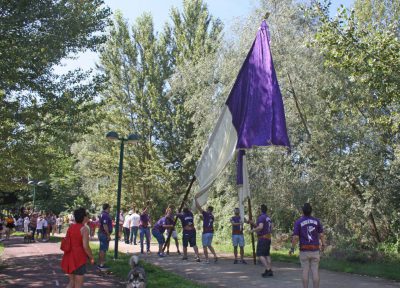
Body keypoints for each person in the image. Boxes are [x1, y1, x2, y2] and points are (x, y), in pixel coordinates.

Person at [289, 203, 325, 288]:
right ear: (311, 211)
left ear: (303, 211)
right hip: (315, 250)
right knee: (315, 271)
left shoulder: (299, 222)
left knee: (305, 271)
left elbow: (295, 237)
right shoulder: (317, 221)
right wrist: (323, 244)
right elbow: (321, 235)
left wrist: (292, 248)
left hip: (304, 250)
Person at [61, 208, 95, 288]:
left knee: (71, 282)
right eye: (87, 215)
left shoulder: (71, 227)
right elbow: (85, 246)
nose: (88, 217)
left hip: (69, 257)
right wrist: (91, 257)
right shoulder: (85, 229)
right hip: (79, 258)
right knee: (78, 285)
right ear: (84, 217)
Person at [249, 204, 273, 277]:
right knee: (267, 254)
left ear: (260, 210)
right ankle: (270, 269)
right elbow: (271, 227)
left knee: (260, 255)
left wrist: (252, 230)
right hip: (268, 237)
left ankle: (268, 270)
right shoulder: (268, 218)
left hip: (263, 238)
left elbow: (260, 227)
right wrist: (253, 224)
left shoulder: (261, 217)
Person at [195, 199, 218, 264]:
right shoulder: (212, 216)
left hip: (206, 232)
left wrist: (196, 199)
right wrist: (202, 218)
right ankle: (215, 256)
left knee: (204, 246)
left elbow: (198, 207)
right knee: (209, 245)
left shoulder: (206, 213)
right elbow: (207, 221)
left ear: (208, 210)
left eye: (207, 209)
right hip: (211, 232)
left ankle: (207, 260)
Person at [97, 203, 112, 269]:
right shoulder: (105, 215)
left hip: (102, 233)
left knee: (101, 249)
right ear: (107, 208)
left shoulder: (102, 214)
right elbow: (105, 225)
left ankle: (100, 263)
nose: (110, 209)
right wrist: (108, 235)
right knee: (103, 249)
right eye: (109, 207)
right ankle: (102, 264)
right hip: (104, 234)